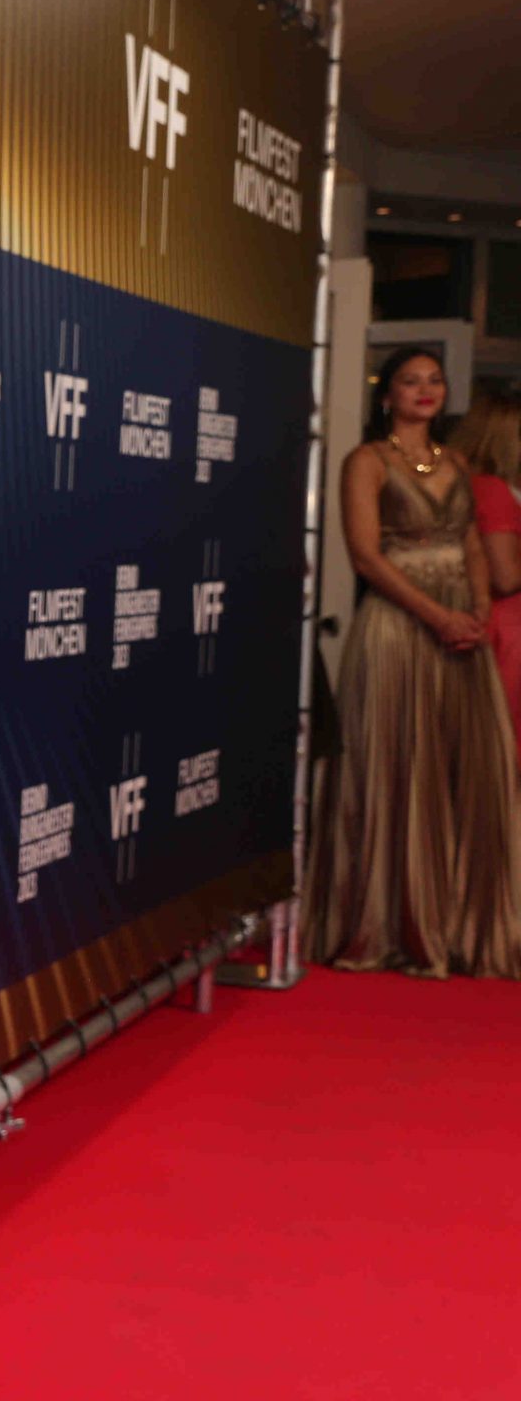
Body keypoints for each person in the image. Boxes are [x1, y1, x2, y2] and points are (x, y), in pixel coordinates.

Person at [305, 350, 521, 977]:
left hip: (463, 635)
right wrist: (436, 616)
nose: (425, 391)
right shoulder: (367, 462)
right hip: (398, 629)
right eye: (410, 381)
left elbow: (473, 546)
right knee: (396, 768)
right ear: (387, 395)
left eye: (435, 381)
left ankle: (458, 925)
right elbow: (366, 557)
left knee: (464, 772)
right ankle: (389, 923)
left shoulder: (457, 463)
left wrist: (475, 613)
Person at [451, 390, 521, 756]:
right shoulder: (492, 490)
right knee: (502, 750)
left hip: (489, 625)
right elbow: (505, 576)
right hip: (506, 630)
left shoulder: (466, 484)